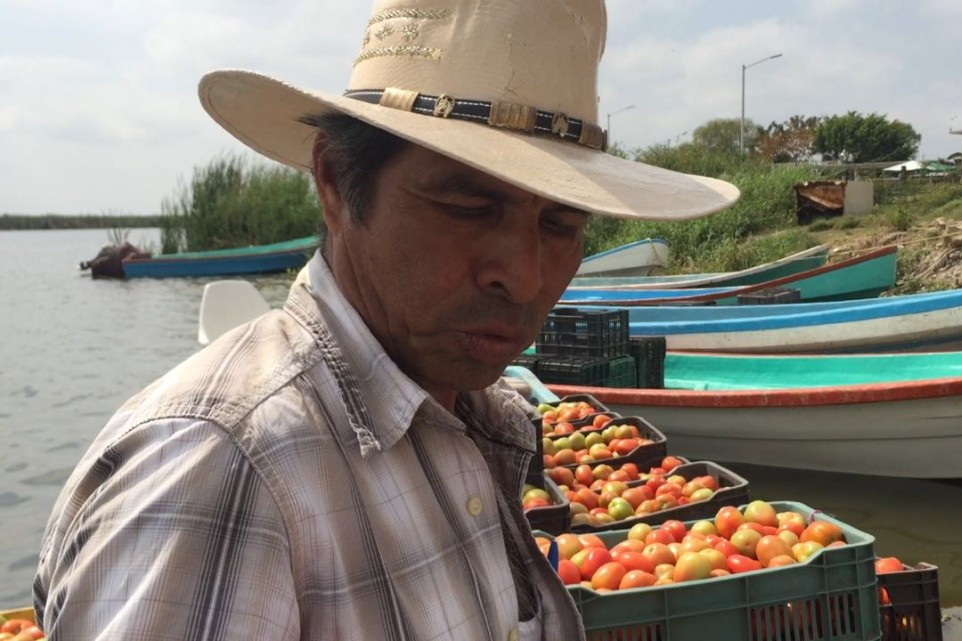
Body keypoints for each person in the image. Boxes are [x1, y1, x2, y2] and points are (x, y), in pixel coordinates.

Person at [33, 1, 738, 639]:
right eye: (467, 206)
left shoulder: (469, 417)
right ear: (337, 184)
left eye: (560, 222)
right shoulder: (227, 471)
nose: (522, 273)